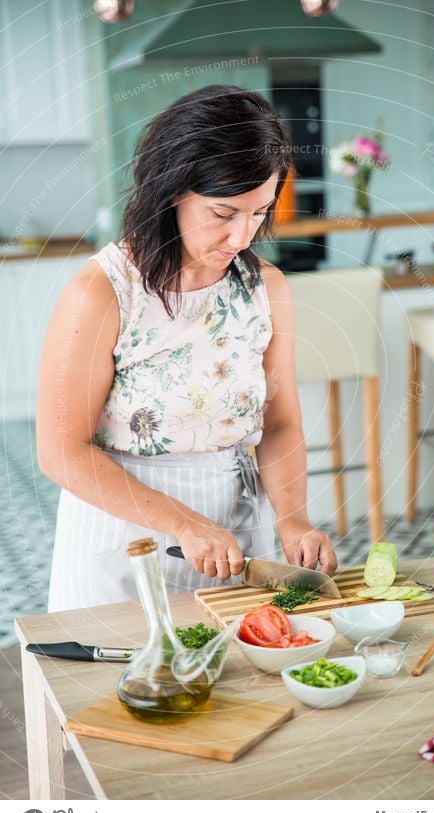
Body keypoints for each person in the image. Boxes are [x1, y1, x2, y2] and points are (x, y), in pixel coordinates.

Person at [38, 84, 337, 612]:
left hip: (236, 536)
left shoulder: (265, 288)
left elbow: (281, 421)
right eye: (224, 214)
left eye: (258, 212)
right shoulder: (104, 292)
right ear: (172, 191)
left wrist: (291, 518)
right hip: (123, 537)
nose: (243, 236)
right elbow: (62, 451)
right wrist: (181, 521)